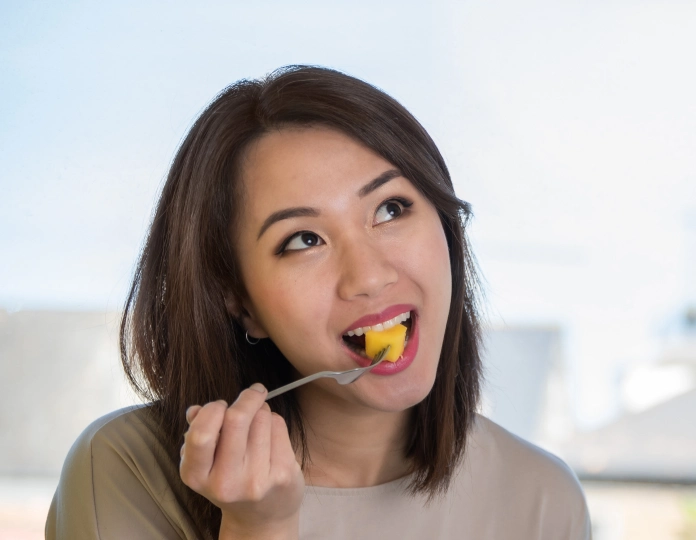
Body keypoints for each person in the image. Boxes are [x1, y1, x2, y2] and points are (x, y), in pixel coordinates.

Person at [45, 65, 591, 540]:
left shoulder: (541, 498)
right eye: (304, 240)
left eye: (391, 209)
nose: (370, 277)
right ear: (241, 303)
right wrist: (258, 527)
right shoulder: (122, 470)